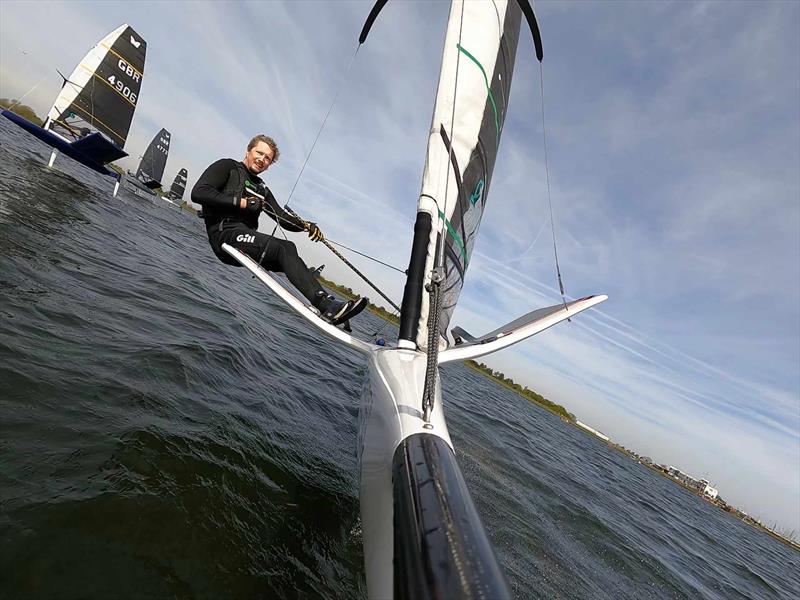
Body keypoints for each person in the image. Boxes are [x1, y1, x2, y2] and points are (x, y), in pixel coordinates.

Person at [192, 134, 367, 324]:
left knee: (290, 252)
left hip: (245, 242)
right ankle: (327, 306)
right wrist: (242, 203)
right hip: (224, 235)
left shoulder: (262, 189)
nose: (262, 159)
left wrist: (305, 226)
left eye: (267, 158)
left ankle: (329, 304)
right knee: (282, 247)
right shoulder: (227, 166)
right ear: (249, 151)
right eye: (259, 153)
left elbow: (282, 218)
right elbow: (199, 192)